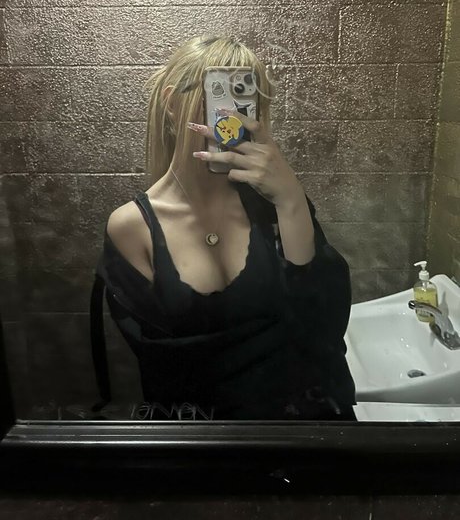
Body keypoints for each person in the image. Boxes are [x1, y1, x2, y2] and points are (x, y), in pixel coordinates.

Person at [90, 34, 357, 421]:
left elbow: (322, 326)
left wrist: (292, 200)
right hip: (206, 438)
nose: (231, 116)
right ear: (172, 104)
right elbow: (166, 368)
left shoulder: (275, 206)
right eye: (219, 95)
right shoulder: (133, 227)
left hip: (301, 430)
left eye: (246, 99)